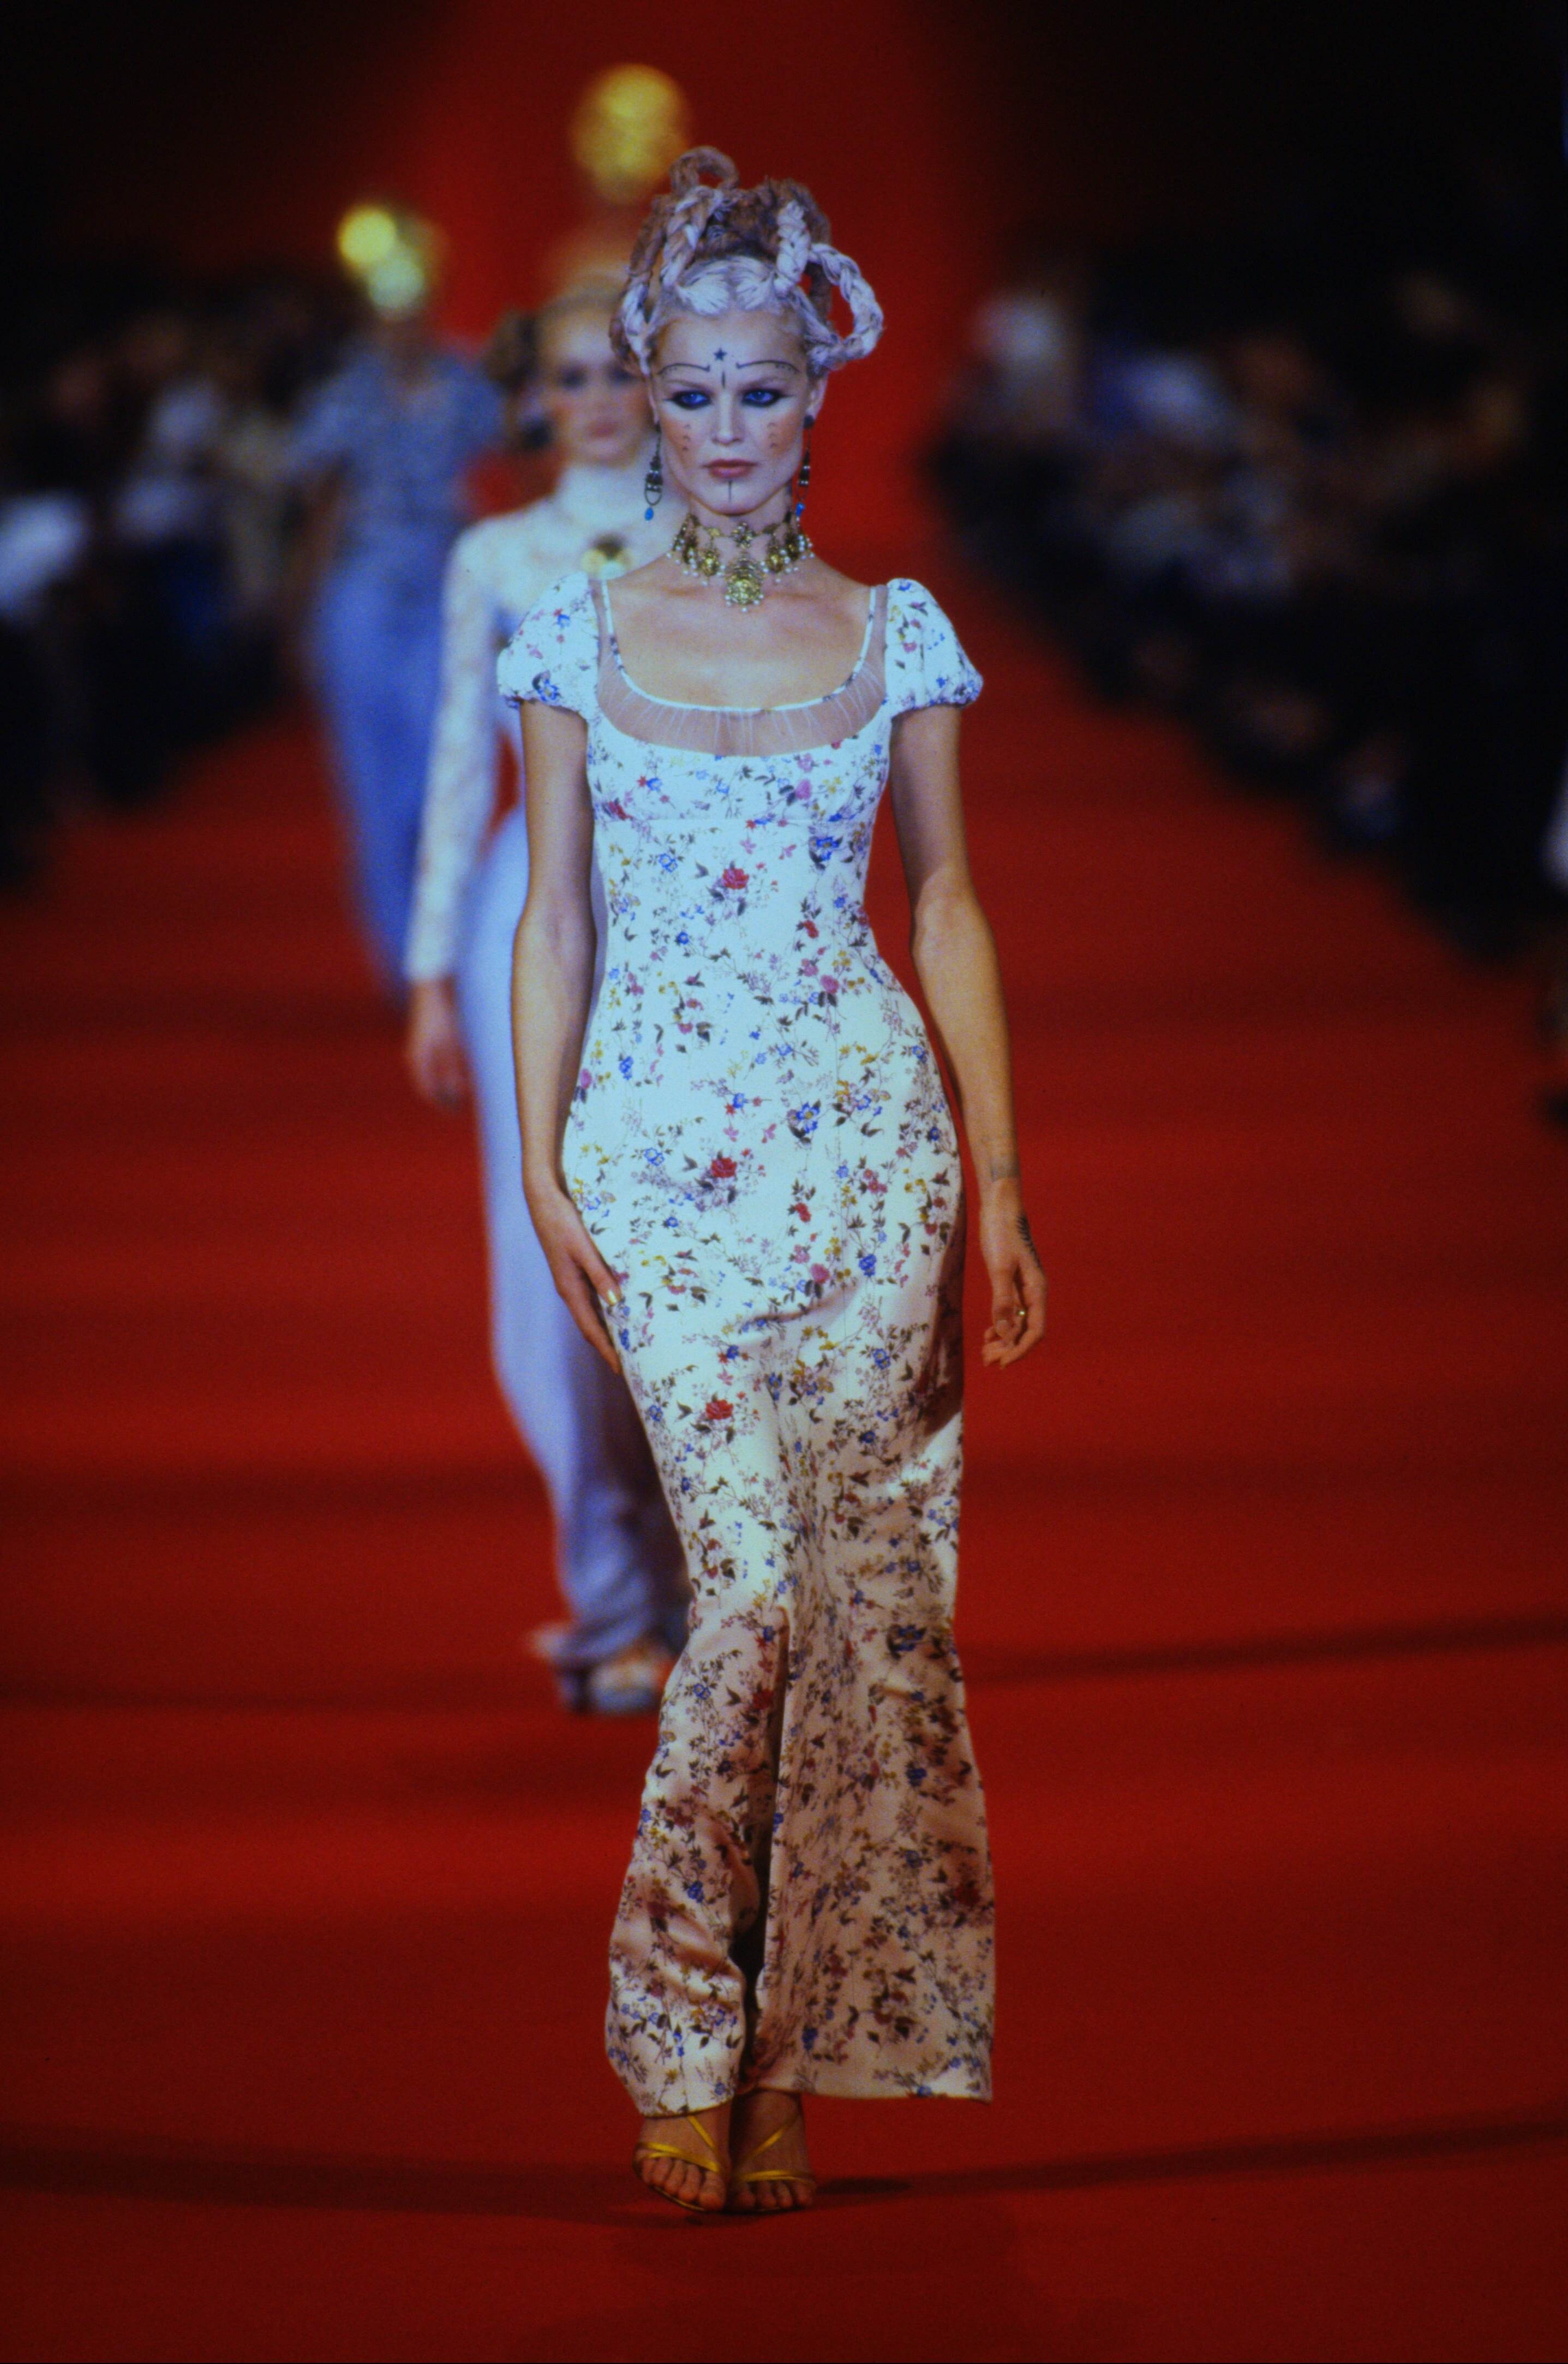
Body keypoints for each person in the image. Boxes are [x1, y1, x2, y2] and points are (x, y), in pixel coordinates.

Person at [502, 152, 1046, 2214]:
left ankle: (790, 2039)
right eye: (694, 392)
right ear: (647, 400)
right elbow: (554, 921)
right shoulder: (573, 632)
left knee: (856, 1615)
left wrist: (999, 1178)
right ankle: (676, 2021)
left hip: (870, 1159)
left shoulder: (894, 633)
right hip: (657, 1158)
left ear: (816, 397)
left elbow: (950, 907)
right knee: (740, 1596)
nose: (728, 428)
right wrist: (542, 1162)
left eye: (762, 390)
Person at [404, 285, 687, 1713]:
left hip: (697, 913)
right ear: (533, 399)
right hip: (527, 913)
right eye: (570, 377)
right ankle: (615, 1599)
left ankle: (713, 1580)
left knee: (691, 1252)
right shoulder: (496, 554)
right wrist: (424, 971)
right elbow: (463, 758)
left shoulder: (723, 536)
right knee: (548, 1255)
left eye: (621, 371)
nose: (597, 401)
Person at [292, 212, 503, 987]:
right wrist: (305, 615)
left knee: (443, 765)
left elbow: (518, 467)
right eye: (388, 310)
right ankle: (400, 956)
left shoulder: (468, 381)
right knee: (371, 777)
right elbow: (321, 507)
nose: (403, 325)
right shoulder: (343, 393)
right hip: (365, 593)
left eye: (414, 308)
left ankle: (448, 934)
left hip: (448, 585)